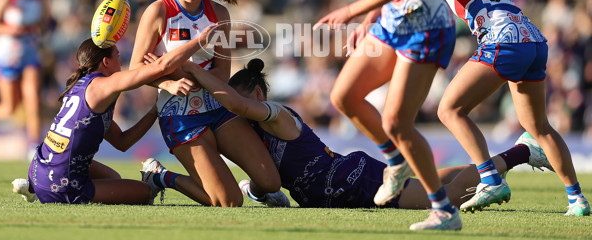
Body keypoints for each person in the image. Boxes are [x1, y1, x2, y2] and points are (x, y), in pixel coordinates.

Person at [177, 58, 553, 209]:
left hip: (353, 179)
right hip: (344, 182)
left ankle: (522, 152)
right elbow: (268, 179)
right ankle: (504, 159)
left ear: (257, 94)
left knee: (444, 198)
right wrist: (257, 191)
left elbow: (239, 107)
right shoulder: (254, 133)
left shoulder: (275, 114)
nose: (235, 111)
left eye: (241, 100)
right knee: (436, 180)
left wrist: (195, 71)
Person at [314, 0, 458, 230]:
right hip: (395, 19)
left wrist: (350, 11)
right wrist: (371, 15)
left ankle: (443, 209)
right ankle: (394, 161)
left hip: (425, 24)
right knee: (344, 96)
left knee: (396, 122)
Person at [418, 0, 590, 217]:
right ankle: (577, 199)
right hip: (532, 39)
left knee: (449, 109)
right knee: (538, 127)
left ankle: (490, 178)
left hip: (504, 40)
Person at [129, 0, 286, 207]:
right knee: (229, 202)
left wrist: (175, 69)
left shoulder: (219, 14)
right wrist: (167, 83)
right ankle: (161, 176)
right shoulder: (159, 11)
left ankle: (252, 189)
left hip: (216, 107)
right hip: (179, 114)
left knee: (271, 183)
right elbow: (135, 69)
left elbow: (223, 74)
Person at [15, 27, 216, 205]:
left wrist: (155, 110)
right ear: (106, 62)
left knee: (113, 177)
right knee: (145, 193)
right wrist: (200, 40)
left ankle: (34, 189)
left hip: (39, 168)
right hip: (60, 184)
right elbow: (159, 68)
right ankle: (156, 178)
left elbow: (122, 142)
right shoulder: (104, 84)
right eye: (118, 57)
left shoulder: (82, 86)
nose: (121, 62)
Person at [0, 0, 45, 154]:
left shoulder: (38, 0)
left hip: (30, 54)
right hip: (7, 56)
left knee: (33, 100)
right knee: (9, 107)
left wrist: (38, 30)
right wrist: (9, 29)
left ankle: (34, 148)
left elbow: (44, 26)